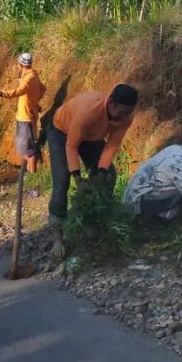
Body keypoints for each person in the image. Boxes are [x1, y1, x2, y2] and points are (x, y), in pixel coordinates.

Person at [47, 83, 139, 258]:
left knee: (109, 175)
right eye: (122, 112)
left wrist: (102, 172)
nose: (124, 117)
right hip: (62, 133)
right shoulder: (88, 111)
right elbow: (72, 146)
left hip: (91, 137)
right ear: (111, 103)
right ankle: (58, 238)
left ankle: (94, 223)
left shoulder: (126, 117)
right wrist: (78, 179)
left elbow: (112, 145)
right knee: (62, 182)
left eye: (128, 113)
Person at [0, 53, 46, 174]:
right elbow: (43, 89)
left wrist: (0, 94)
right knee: (24, 147)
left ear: (21, 65)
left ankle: (32, 175)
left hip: (26, 117)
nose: (17, 67)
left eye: (18, 65)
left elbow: (19, 91)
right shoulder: (33, 75)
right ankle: (28, 173)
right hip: (25, 115)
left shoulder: (29, 78)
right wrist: (34, 102)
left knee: (28, 150)